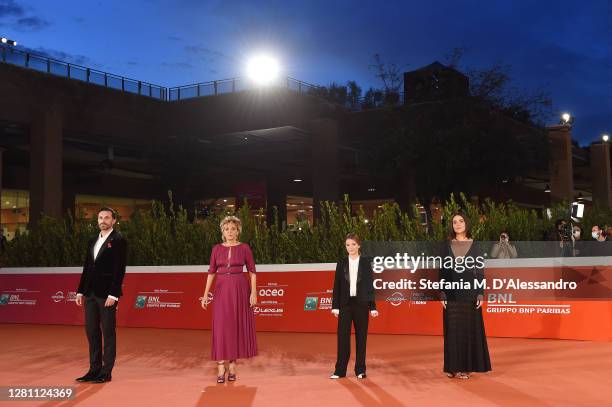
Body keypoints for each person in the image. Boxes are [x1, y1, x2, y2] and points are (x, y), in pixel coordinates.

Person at [201, 216, 257, 383]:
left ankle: (232, 365)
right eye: (227, 229)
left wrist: (253, 292)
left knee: (234, 326)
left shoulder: (245, 248)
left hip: (240, 289)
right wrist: (205, 294)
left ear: (238, 230)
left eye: (233, 229)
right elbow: (211, 272)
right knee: (220, 326)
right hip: (221, 289)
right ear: (222, 232)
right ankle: (220, 365)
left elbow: (252, 271)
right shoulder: (216, 249)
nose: (230, 232)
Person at [75, 207, 128, 384]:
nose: (102, 220)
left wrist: (114, 294)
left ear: (113, 221)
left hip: (107, 295)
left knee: (108, 332)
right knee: (91, 331)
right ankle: (94, 369)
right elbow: (87, 267)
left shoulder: (119, 240)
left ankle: (106, 372)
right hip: (90, 293)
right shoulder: (92, 240)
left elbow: (119, 269)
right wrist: (80, 291)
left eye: (106, 218)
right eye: (100, 217)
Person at [439, 212, 491, 379]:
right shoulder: (446, 245)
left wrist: (481, 293)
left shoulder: (475, 245)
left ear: (466, 224)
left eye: (461, 221)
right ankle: (452, 367)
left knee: (467, 331)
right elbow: (442, 271)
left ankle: (465, 368)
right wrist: (442, 292)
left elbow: (480, 272)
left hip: (470, 292)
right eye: (454, 222)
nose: (458, 224)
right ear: (451, 225)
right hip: (451, 292)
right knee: (452, 330)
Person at [330, 233, 379, 379]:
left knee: (361, 337)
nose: (350, 247)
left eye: (353, 244)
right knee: (342, 338)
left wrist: (373, 306)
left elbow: (369, 285)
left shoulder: (365, 262)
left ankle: (360, 369)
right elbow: (336, 285)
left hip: (361, 304)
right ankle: (340, 370)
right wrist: (335, 306)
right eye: (347, 245)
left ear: (358, 245)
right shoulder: (341, 263)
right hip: (345, 304)